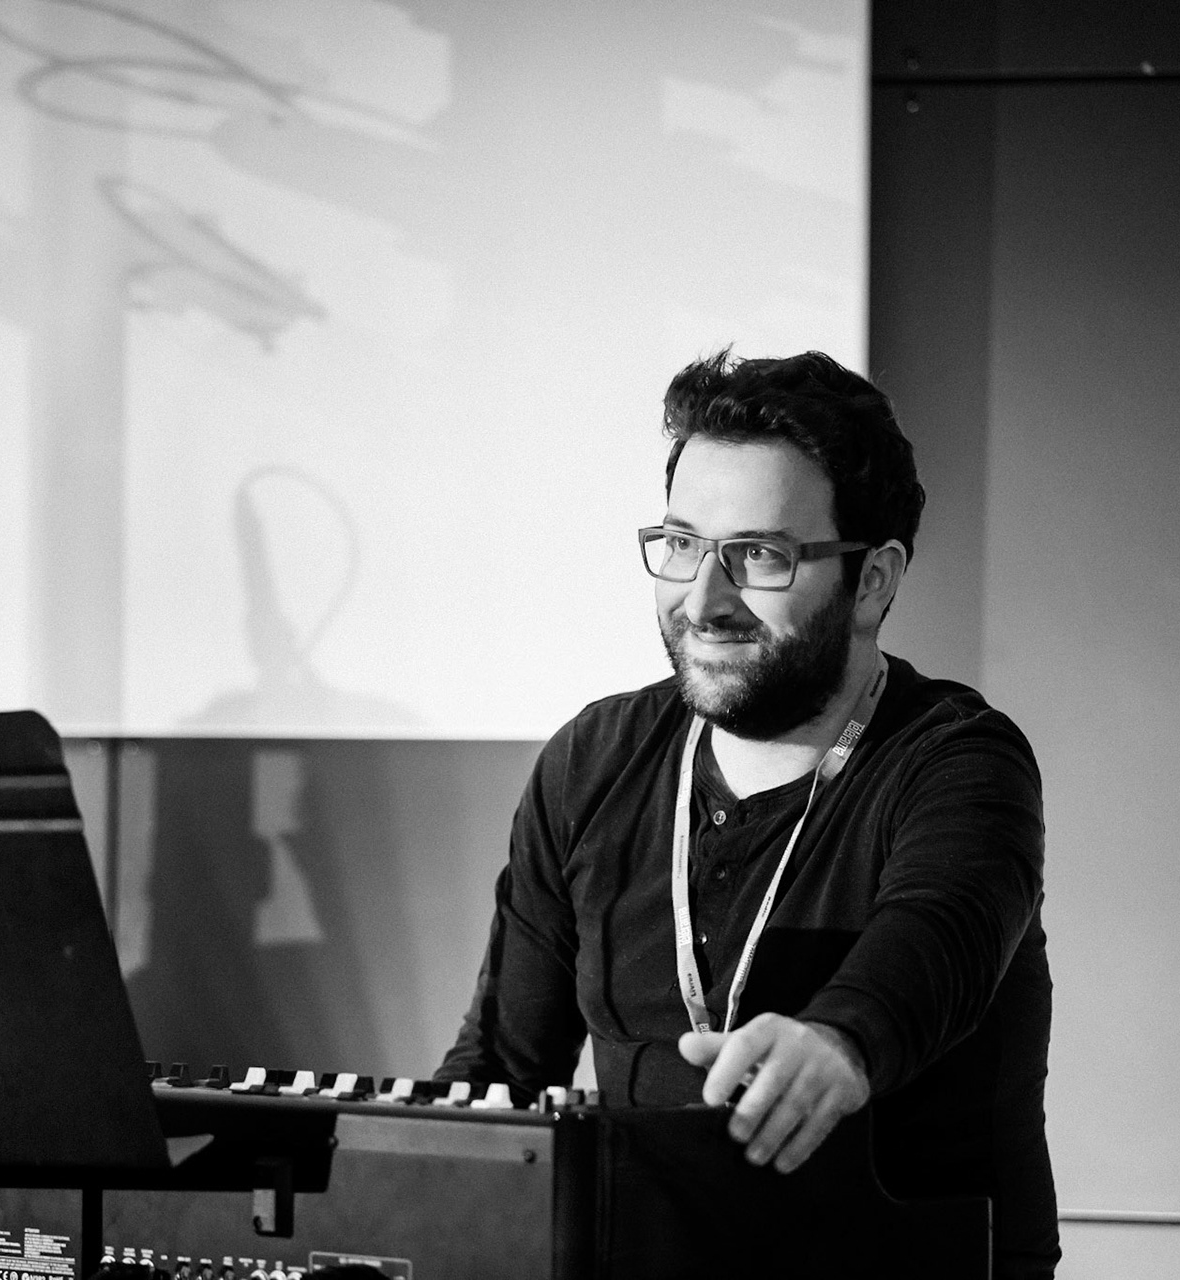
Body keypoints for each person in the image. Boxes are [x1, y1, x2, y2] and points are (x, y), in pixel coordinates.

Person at [436, 349, 1057, 1277]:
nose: (703, 598)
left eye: (759, 556)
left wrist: (840, 1040)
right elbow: (500, 1067)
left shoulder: (958, 760)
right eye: (682, 545)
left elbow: (944, 931)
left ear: (874, 582)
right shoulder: (593, 761)